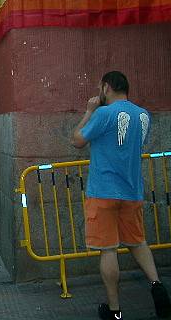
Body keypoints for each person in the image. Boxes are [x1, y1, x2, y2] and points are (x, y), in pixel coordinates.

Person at [71, 71, 171, 320]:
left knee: (108, 250)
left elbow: (77, 141)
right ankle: (157, 287)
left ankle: (114, 311)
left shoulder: (103, 113)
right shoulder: (143, 115)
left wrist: (88, 112)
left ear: (106, 87)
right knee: (138, 242)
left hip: (103, 191)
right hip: (132, 191)